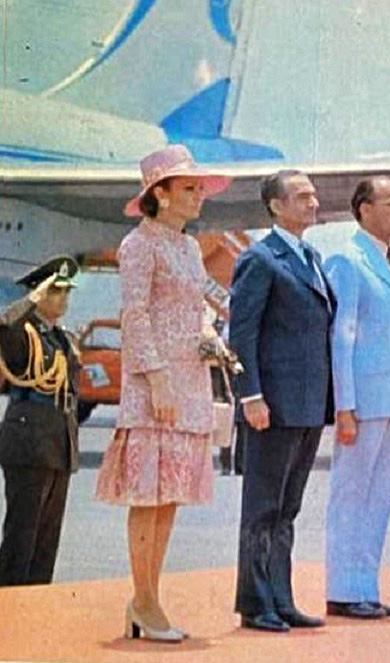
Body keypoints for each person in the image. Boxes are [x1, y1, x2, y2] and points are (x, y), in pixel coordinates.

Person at [95, 144, 231, 642]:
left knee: (169, 494)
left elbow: (195, 310)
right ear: (161, 193)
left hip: (189, 379)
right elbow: (135, 315)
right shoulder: (138, 244)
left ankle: (147, 600)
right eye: (189, 187)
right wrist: (156, 379)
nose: (199, 195)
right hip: (155, 384)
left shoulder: (190, 248)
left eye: (199, 187)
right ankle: (145, 600)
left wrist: (211, 339)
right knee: (148, 494)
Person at [229, 170, 334, 632]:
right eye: (302, 196)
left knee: (287, 508)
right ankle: (256, 603)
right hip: (271, 404)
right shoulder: (260, 258)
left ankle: (281, 597)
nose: (313, 203)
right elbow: (242, 332)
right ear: (275, 205)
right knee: (262, 508)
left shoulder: (311, 257)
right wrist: (251, 394)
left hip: (308, 405)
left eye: (313, 195)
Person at [324, 177, 390, 620]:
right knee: (351, 495)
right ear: (364, 209)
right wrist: (344, 406)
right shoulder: (349, 259)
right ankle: (343, 590)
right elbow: (342, 336)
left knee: (379, 498)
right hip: (364, 401)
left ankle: (365, 586)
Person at [0, 256, 80, 586]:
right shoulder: (24, 333)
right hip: (29, 440)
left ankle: (37, 603)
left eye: (66, 291)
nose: (63, 298)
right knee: (22, 537)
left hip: (58, 442)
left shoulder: (61, 337)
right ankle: (9, 603)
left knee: (46, 542)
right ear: (39, 292)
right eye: (55, 291)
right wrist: (31, 300)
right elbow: (3, 326)